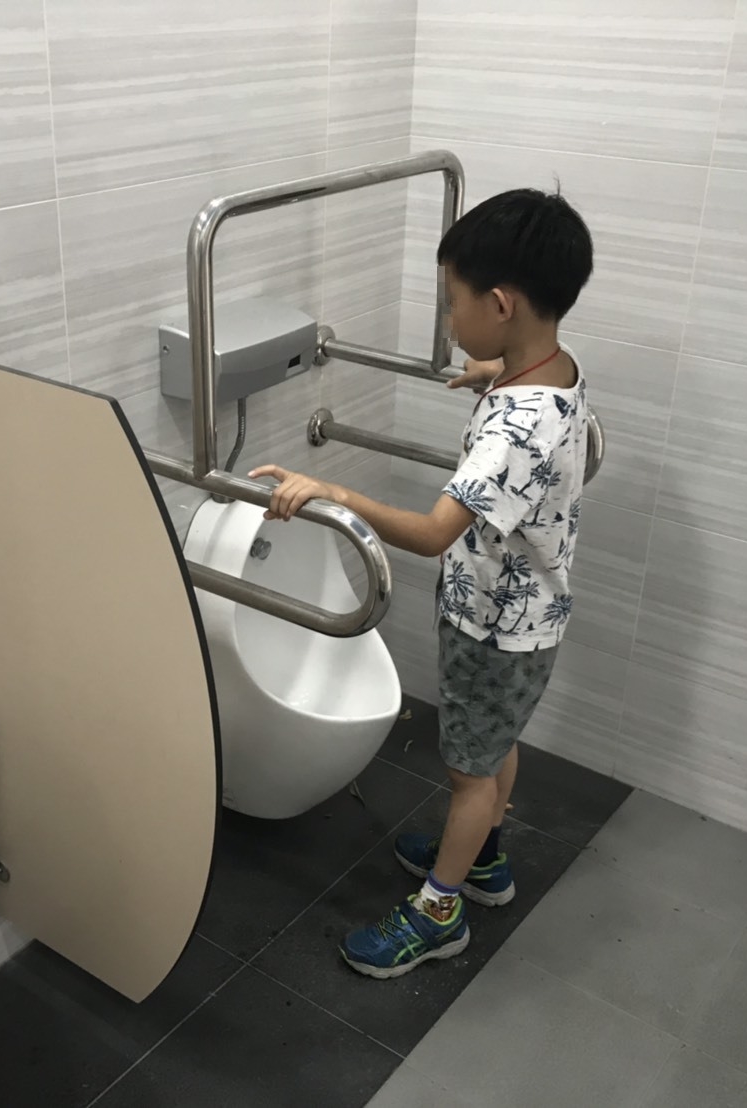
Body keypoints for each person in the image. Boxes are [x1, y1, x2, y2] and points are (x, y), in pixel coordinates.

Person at [249, 187, 594, 977]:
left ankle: (439, 913)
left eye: (452, 302)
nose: (448, 317)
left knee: (469, 773)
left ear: (500, 305)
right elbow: (527, 406)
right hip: (532, 617)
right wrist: (493, 371)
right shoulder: (554, 372)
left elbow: (436, 530)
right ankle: (484, 862)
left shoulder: (515, 428)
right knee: (493, 746)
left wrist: (333, 492)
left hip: (492, 625)